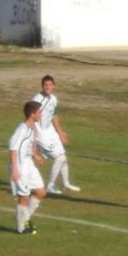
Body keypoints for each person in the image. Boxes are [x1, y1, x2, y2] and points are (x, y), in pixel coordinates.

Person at [32, 74, 80, 195]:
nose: (48, 87)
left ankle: (66, 184)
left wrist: (60, 132)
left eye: (50, 85)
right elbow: (31, 118)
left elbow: (54, 116)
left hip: (50, 131)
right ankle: (50, 185)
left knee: (63, 157)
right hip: (41, 133)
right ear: (42, 86)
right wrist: (33, 141)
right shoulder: (37, 100)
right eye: (45, 85)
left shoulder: (53, 99)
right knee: (59, 157)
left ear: (54, 86)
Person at [9, 100, 48, 235]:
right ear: (32, 114)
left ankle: (26, 218)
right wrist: (14, 169)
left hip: (29, 165)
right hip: (20, 167)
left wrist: (35, 155)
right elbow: (13, 148)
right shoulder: (22, 129)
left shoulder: (32, 128)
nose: (41, 115)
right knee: (24, 198)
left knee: (41, 192)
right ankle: (21, 228)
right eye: (39, 112)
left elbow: (28, 145)